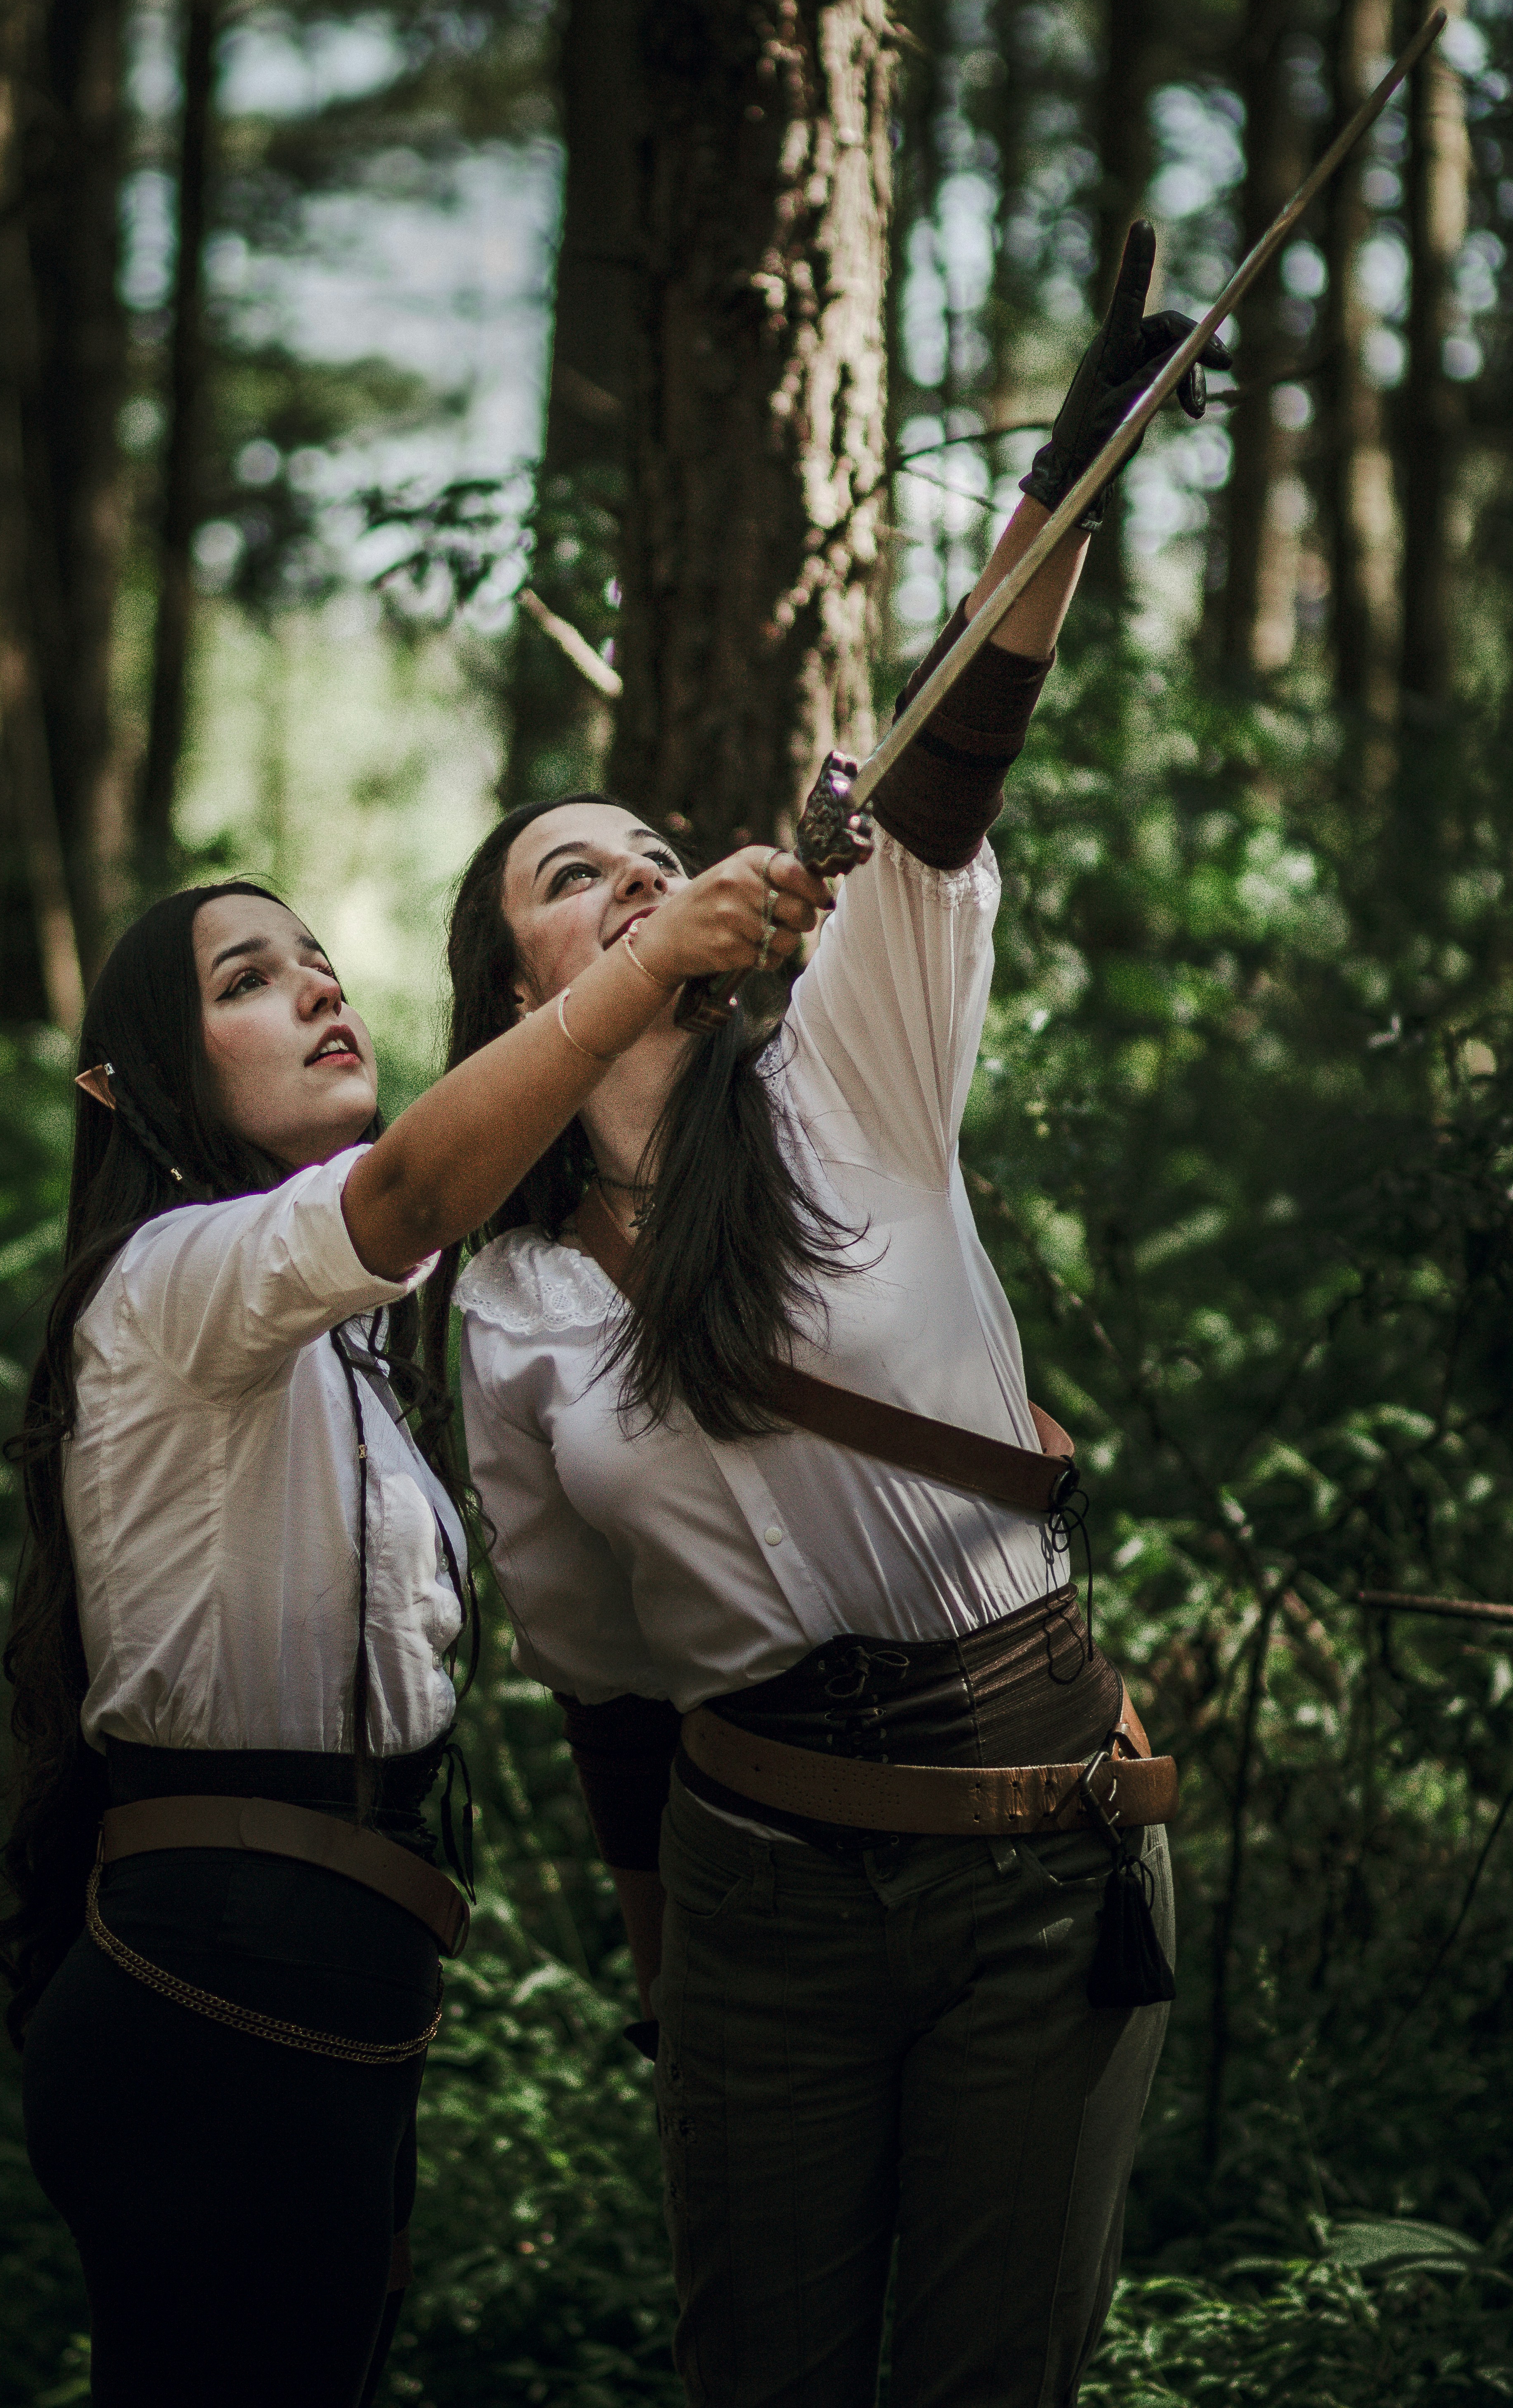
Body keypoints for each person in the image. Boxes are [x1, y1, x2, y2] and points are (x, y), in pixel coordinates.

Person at [438, 224, 1217, 2406]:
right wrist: (668, 1958)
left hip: (1029, 1838)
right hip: (754, 1888)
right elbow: (594, 1670)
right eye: (562, 877)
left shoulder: (843, 1073)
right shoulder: (504, 1296)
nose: (619, 877)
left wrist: (1073, 469)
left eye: (642, 848)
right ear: (527, 990)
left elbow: (952, 780)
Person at [0, 852, 829, 2408]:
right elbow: (412, 1192)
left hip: (320, 1970)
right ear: (128, 1088)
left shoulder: (345, 1338)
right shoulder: (174, 1279)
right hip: (217, 1966)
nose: (317, 987)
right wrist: (638, 973)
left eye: (317, 961)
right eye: (245, 982)